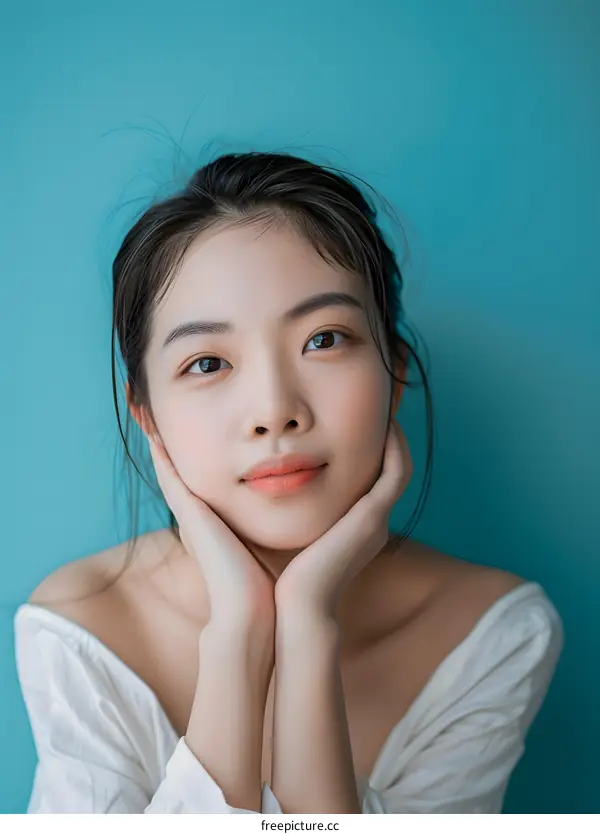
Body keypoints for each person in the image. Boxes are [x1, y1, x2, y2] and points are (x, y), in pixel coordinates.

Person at [14, 151, 563, 814]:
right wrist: (239, 634)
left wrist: (306, 628)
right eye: (208, 361)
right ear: (147, 415)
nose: (275, 410)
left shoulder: (491, 634)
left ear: (394, 372)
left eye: (325, 339)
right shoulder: (82, 627)